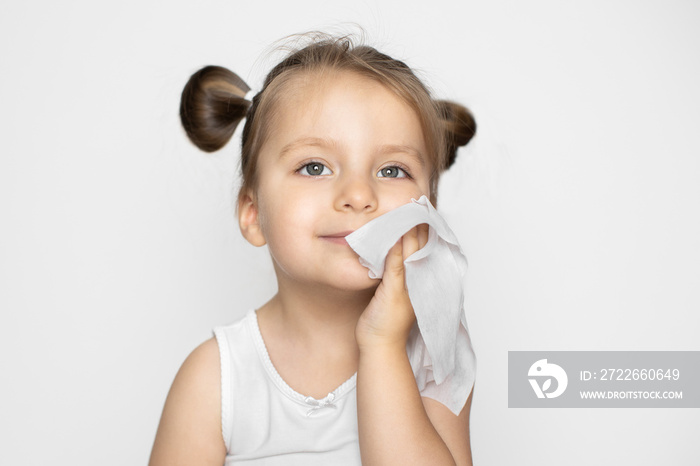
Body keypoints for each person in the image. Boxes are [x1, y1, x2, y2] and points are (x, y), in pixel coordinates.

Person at [149, 33, 476, 466]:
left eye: (392, 169)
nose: (359, 195)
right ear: (253, 212)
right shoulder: (217, 378)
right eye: (315, 167)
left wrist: (382, 345)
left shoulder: (435, 355)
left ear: (428, 212)